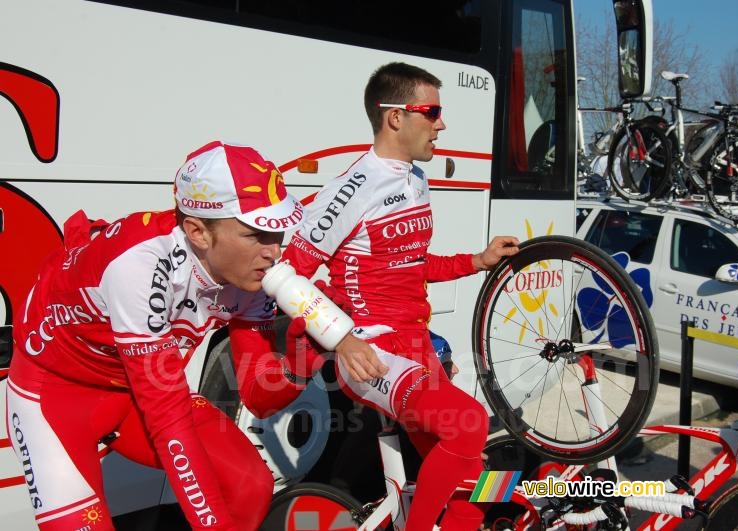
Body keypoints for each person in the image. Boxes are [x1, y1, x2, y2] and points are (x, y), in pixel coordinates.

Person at [5, 140, 376, 531]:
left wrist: (298, 366)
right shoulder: (140, 266)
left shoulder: (247, 277)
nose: (273, 252)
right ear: (198, 231)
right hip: (56, 399)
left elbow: (257, 398)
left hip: (133, 394)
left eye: (278, 233)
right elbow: (168, 422)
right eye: (256, 235)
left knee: (251, 484)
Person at [282, 63, 520, 531]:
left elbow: (411, 264)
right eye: (431, 111)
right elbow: (290, 276)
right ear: (395, 117)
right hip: (371, 352)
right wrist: (342, 339)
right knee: (470, 422)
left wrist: (475, 260)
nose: (442, 124)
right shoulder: (354, 186)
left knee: (475, 486)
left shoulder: (415, 180)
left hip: (416, 346)